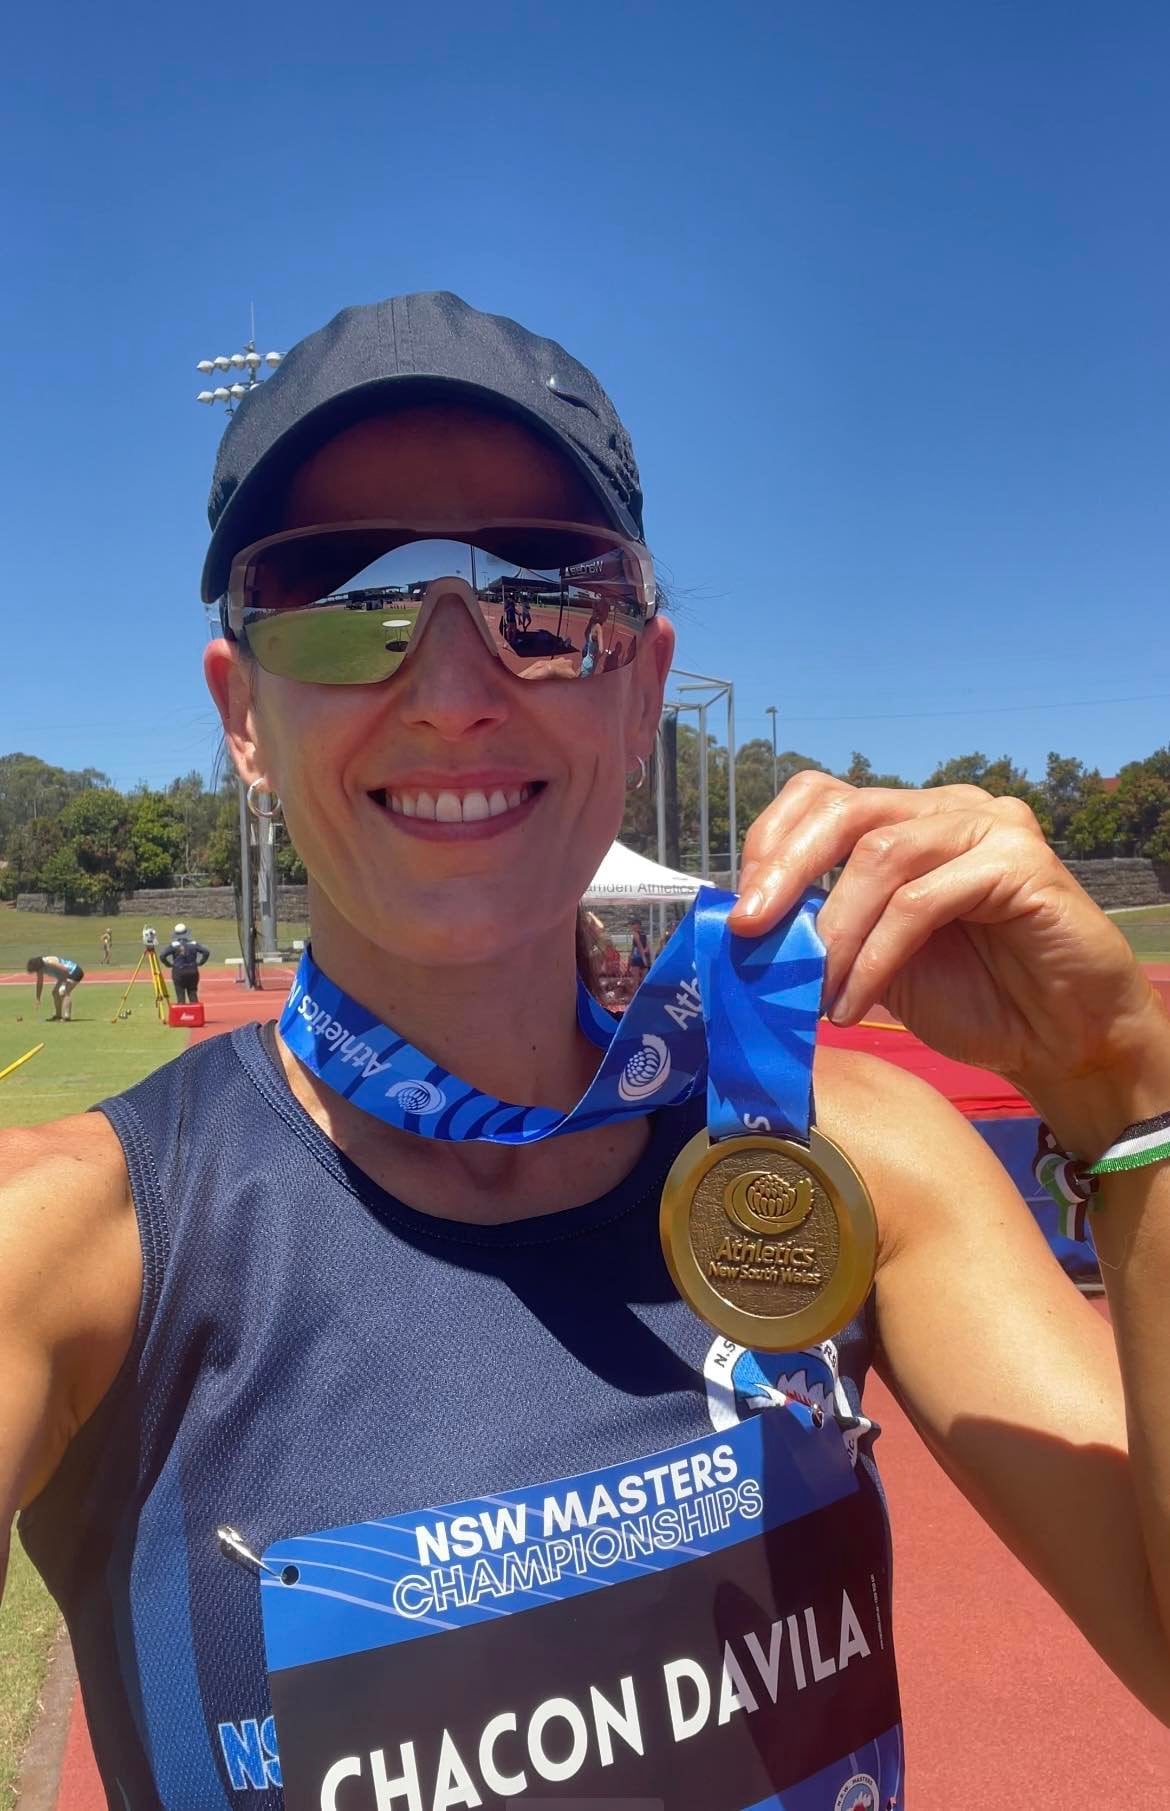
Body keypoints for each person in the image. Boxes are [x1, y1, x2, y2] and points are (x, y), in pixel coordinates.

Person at [2, 293, 1169, 1809]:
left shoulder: (841, 1154)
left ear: (639, 690)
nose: (451, 682)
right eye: (339, 598)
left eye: (545, 597)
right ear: (242, 716)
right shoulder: (73, 1252)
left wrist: (1116, 1082)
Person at [159, 921, 210, 1004]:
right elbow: (206, 952)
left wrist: (168, 964)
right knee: (192, 993)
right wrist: (201, 962)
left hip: (179, 972)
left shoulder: (174, 945)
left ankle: (183, 1015)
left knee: (180, 996)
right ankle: (195, 1015)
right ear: (186, 933)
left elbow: (162, 956)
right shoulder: (193, 943)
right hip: (192, 971)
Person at [25, 953, 85, 1022]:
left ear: (38, 966)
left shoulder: (49, 962)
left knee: (63, 991)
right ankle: (58, 1016)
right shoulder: (40, 969)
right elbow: (39, 983)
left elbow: (65, 970)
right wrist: (38, 998)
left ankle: (67, 1016)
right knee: (55, 992)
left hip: (74, 972)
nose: (36, 972)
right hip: (63, 975)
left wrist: (64, 984)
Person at [627, 914, 651, 988]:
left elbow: (640, 945)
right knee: (642, 978)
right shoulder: (643, 934)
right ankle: (641, 991)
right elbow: (646, 946)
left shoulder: (637, 934)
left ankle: (637, 992)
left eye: (633, 925)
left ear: (637, 925)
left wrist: (643, 956)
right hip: (640, 956)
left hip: (638, 956)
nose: (632, 927)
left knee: (636, 979)